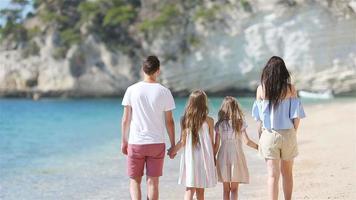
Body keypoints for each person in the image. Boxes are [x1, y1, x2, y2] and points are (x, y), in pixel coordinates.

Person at [121, 55, 176, 200]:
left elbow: (126, 119)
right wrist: (173, 144)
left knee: (135, 181)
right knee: (153, 183)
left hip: (136, 143)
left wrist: (124, 141)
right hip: (157, 143)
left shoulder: (131, 90)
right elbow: (169, 122)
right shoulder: (165, 92)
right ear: (158, 71)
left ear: (143, 69)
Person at [252, 56, 306, 200]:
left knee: (272, 175)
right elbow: (296, 116)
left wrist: (261, 136)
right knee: (287, 173)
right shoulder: (290, 89)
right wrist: (293, 132)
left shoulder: (261, 89)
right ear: (283, 72)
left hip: (269, 135)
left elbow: (258, 119)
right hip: (287, 133)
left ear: (267, 71)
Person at [169, 90, 217, 200]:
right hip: (204, 158)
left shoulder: (184, 120)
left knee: (189, 189)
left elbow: (182, 141)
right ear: (204, 104)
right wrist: (213, 159)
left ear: (190, 103)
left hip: (190, 158)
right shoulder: (209, 120)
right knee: (200, 190)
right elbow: (212, 143)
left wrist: (172, 151)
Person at [214, 96, 258, 200]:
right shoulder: (239, 123)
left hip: (223, 156)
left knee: (225, 190)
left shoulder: (219, 125)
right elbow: (247, 141)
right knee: (234, 190)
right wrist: (259, 147)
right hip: (236, 156)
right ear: (235, 108)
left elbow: (216, 145)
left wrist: (212, 158)